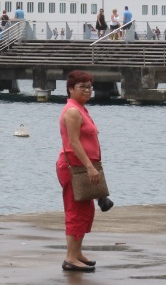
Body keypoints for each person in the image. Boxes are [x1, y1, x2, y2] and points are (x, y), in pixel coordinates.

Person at [57, 70, 107, 273]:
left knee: (86, 211)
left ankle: (77, 253)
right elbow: (74, 143)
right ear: (70, 89)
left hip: (86, 167)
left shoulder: (81, 109)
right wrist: (88, 166)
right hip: (75, 168)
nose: (87, 90)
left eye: (89, 87)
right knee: (75, 211)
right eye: (82, 87)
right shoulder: (72, 111)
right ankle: (70, 257)